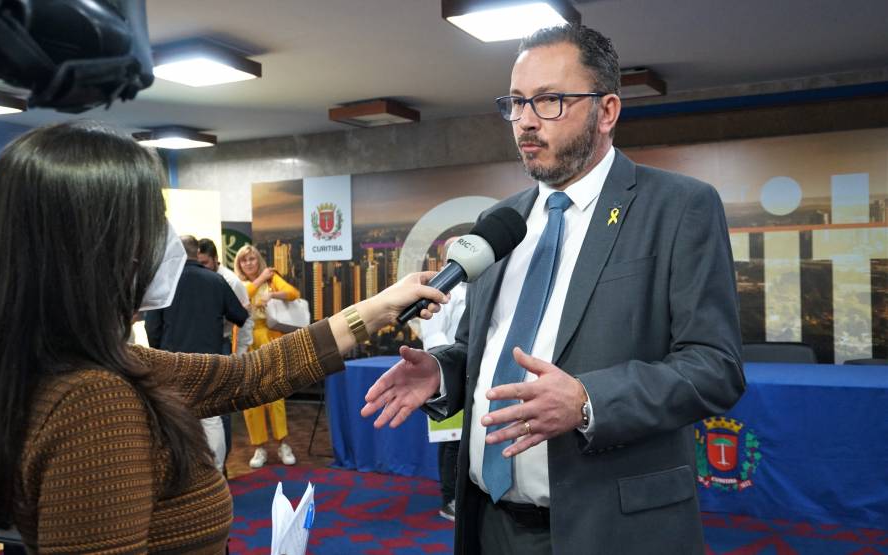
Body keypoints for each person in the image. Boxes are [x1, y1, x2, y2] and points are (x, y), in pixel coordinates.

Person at [0, 120, 447, 553]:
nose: (164, 241)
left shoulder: (86, 367)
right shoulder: (94, 402)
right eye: (149, 220)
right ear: (99, 247)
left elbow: (250, 375)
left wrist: (379, 307)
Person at [362, 24, 744, 555]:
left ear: (607, 111)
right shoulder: (500, 221)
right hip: (488, 521)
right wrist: (444, 373)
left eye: (550, 101)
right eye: (516, 103)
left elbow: (715, 367)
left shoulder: (679, 207)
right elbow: (480, 347)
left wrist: (588, 401)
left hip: (612, 529)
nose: (525, 121)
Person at [144, 234, 250, 472]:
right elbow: (240, 317)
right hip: (210, 361)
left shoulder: (164, 283)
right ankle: (217, 474)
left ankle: (183, 476)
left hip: (172, 362)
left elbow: (152, 326)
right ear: (196, 252)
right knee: (211, 418)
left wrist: (159, 352)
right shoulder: (215, 281)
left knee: (176, 419)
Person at [233, 244, 304, 468]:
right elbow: (241, 297)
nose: (249, 264)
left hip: (269, 338)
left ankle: (283, 444)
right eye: (244, 260)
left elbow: (294, 294)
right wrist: (259, 280)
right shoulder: (236, 283)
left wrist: (272, 292)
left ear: (258, 260)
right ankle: (259, 447)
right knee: (250, 396)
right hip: (245, 342)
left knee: (276, 394)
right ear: (239, 264)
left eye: (252, 259)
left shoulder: (271, 278)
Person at [420, 237, 468, 522]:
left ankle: (465, 494)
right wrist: (449, 368)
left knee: (469, 439)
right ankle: (449, 499)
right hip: (449, 372)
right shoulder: (439, 288)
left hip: (476, 372)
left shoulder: (478, 285)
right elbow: (433, 336)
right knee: (451, 441)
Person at [198, 236, 254, 463]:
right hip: (205, 345)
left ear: (215, 260)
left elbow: (245, 319)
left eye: (204, 263)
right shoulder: (202, 280)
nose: (200, 267)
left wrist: (238, 354)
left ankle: (225, 461)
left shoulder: (230, 282)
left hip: (224, 346)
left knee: (222, 407)